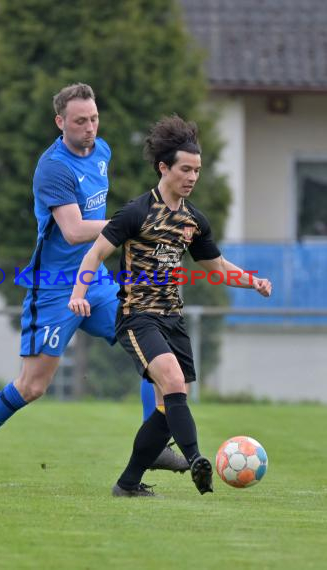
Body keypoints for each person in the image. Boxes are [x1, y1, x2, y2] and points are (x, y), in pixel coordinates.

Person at [0, 84, 187, 488]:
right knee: (33, 385)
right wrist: (135, 223)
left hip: (95, 283)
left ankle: (153, 446)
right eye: (80, 121)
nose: (90, 128)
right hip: (55, 289)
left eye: (94, 118)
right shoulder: (53, 167)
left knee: (152, 354)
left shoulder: (103, 152)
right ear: (60, 122)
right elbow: (75, 231)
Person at [69, 115, 272, 497]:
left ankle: (128, 484)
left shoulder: (193, 220)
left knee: (168, 408)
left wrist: (253, 280)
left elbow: (217, 266)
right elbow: (95, 253)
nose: (192, 176)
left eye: (197, 169)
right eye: (185, 169)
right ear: (164, 167)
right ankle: (196, 458)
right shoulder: (136, 212)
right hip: (137, 317)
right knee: (174, 383)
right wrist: (78, 294)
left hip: (173, 319)